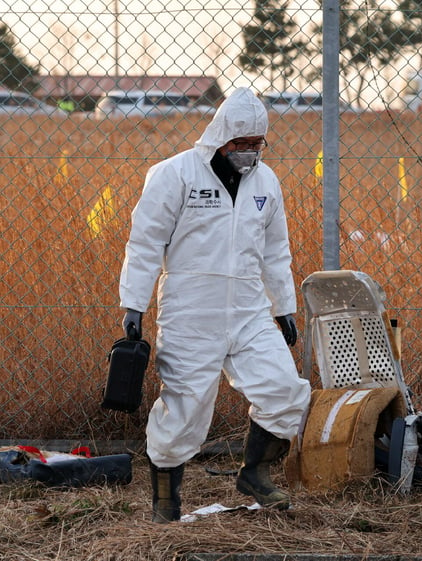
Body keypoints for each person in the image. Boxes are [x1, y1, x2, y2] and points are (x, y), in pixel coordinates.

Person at [118, 87, 312, 523]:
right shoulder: (175, 175)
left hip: (248, 309)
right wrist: (134, 305)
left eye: (256, 144)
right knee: (184, 408)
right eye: (240, 144)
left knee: (285, 391)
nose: (248, 153)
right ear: (220, 137)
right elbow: (145, 243)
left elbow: (276, 250)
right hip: (190, 310)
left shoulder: (267, 182)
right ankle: (166, 503)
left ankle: (255, 474)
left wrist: (284, 306)